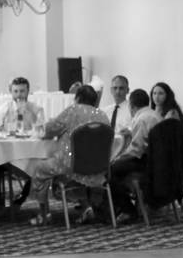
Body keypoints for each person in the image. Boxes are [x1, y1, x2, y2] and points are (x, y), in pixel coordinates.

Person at [27, 85, 110, 226]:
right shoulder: (103, 116)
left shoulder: (72, 112)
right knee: (66, 175)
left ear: (77, 98)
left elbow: (49, 130)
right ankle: (86, 206)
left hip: (69, 164)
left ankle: (44, 213)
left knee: (39, 168)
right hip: (97, 166)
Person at [110, 89, 163, 223]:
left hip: (145, 162)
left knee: (109, 171)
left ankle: (127, 210)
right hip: (159, 161)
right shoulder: (155, 115)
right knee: (116, 166)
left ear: (131, 106)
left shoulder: (141, 119)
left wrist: (118, 158)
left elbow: (136, 150)